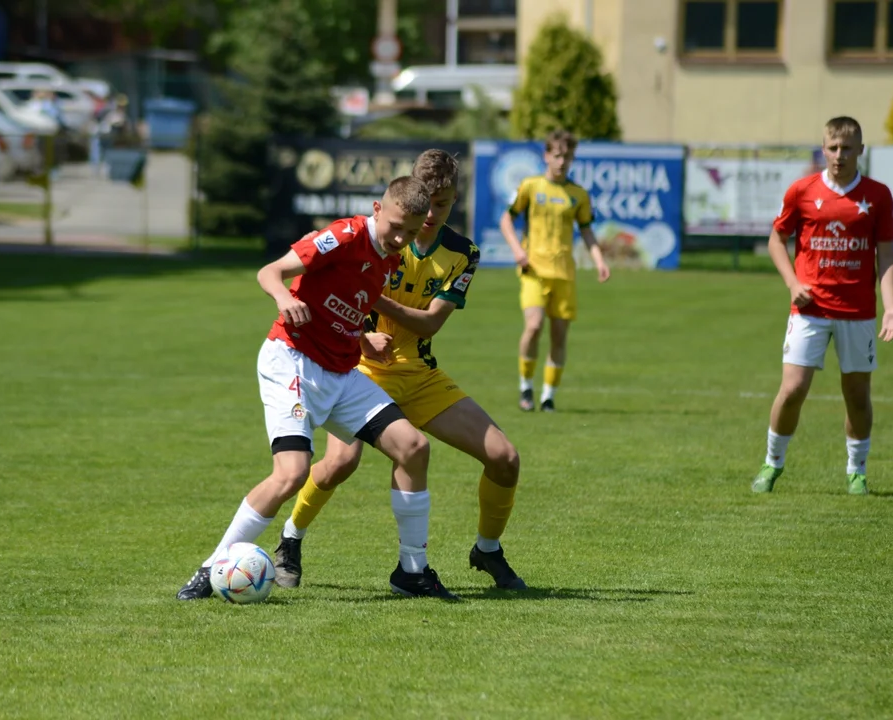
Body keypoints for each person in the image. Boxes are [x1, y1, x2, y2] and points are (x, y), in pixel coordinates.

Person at [176, 176, 458, 601]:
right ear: (377, 210)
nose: (401, 237)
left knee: (413, 448)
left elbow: (343, 301)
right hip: (291, 359)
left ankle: (412, 571)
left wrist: (362, 340)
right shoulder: (344, 235)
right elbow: (270, 272)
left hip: (341, 373)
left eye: (411, 230)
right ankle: (211, 566)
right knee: (292, 473)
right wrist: (283, 299)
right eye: (395, 225)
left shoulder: (390, 259)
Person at [272, 149, 526, 591]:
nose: (431, 214)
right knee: (338, 464)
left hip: (420, 374)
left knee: (504, 458)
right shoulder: (383, 236)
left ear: (455, 201)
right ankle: (290, 541)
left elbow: (430, 322)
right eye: (426, 202)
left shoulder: (463, 253)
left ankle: (487, 549)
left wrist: (371, 295)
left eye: (443, 205)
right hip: (362, 368)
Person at [751, 116, 893, 495]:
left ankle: (857, 471)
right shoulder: (801, 191)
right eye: (832, 148)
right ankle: (772, 464)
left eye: (847, 148)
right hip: (809, 311)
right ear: (823, 149)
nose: (838, 155)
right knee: (793, 389)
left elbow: (886, 256)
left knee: (857, 395)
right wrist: (792, 282)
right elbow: (775, 240)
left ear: (860, 150)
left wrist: (892, 308)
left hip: (858, 313)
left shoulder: (878, 195)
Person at [499, 129, 611, 412]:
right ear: (547, 156)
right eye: (557, 155)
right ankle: (526, 388)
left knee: (559, 336)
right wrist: (517, 250)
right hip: (534, 270)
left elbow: (586, 231)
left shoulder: (578, 195)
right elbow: (506, 220)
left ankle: (548, 396)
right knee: (534, 326)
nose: (562, 161)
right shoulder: (530, 186)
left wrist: (599, 260)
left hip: (564, 274)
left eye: (567, 156)